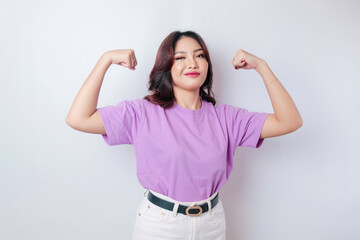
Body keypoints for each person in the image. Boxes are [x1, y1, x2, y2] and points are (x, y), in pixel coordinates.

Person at [66, 30, 303, 240]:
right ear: (166, 66)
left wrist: (262, 67)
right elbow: (78, 118)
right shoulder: (142, 113)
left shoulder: (227, 118)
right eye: (180, 57)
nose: (193, 63)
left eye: (199, 56)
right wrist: (104, 60)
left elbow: (290, 121)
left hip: (212, 223)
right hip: (160, 226)